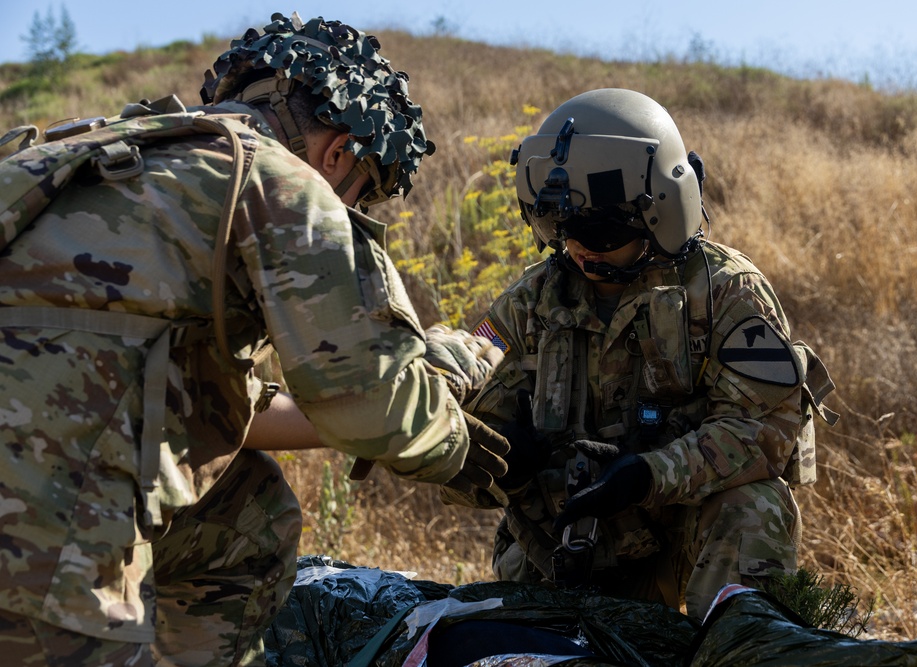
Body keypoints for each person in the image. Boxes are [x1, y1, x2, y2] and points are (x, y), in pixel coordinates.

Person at [0, 12, 507, 666]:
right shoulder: (276, 181)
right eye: (364, 197)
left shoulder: (80, 160)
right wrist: (452, 441)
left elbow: (216, 406)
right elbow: (380, 410)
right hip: (44, 561)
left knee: (247, 515)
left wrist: (348, 417)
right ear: (339, 154)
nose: (355, 209)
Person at [444, 88, 838, 620]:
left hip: (681, 541)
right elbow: (470, 424)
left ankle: (735, 645)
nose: (578, 247)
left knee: (753, 506)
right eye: (559, 228)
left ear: (661, 213)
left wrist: (648, 475)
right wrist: (497, 459)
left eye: (600, 231)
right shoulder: (532, 302)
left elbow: (762, 433)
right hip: (561, 547)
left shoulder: (725, 291)